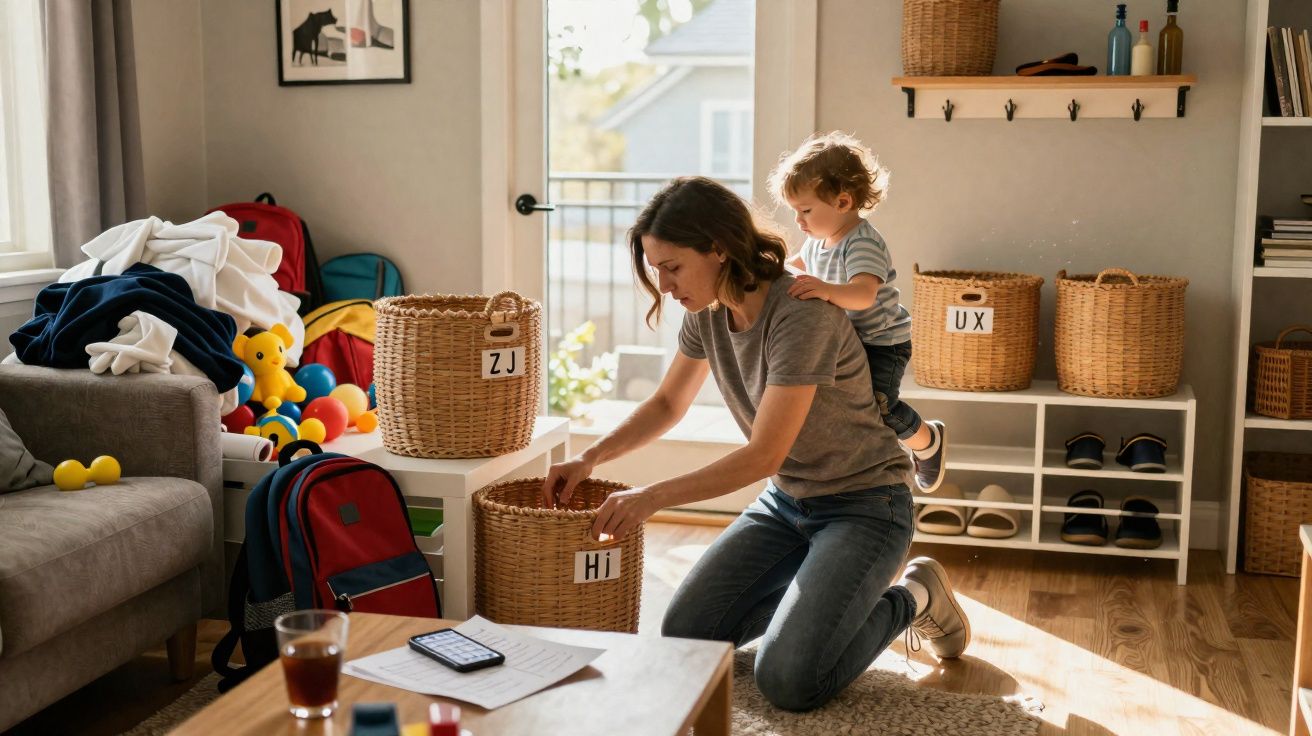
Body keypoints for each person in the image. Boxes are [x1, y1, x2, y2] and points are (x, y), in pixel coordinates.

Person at [540, 176, 970, 712]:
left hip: (866, 506)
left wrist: (649, 498)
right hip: (786, 503)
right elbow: (667, 405)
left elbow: (764, 454)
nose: (666, 285)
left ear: (718, 248)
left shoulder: (801, 312)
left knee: (790, 680)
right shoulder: (707, 313)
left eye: (672, 267)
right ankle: (819, 602)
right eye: (657, 271)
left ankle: (913, 595)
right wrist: (588, 457)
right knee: (685, 637)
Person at [768, 131, 947, 492]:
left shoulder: (862, 241)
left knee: (881, 407)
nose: (799, 221)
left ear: (843, 201)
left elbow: (864, 295)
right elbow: (798, 262)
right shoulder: (820, 238)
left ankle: (928, 441)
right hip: (846, 340)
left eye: (805, 210)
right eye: (795, 212)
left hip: (882, 342)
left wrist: (823, 289)